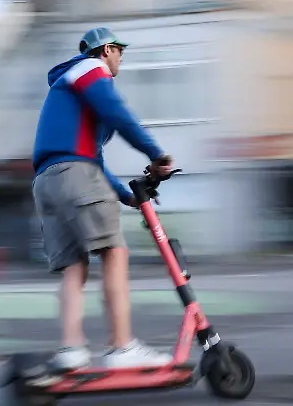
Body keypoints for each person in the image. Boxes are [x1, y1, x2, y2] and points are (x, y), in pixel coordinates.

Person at [31, 27, 176, 370]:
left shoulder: (69, 84)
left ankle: (71, 349)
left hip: (48, 181)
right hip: (75, 174)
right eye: (119, 52)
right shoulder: (91, 70)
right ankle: (122, 347)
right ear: (107, 49)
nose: (121, 58)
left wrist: (125, 196)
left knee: (74, 266)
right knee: (114, 252)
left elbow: (91, 156)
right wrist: (156, 154)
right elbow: (118, 115)